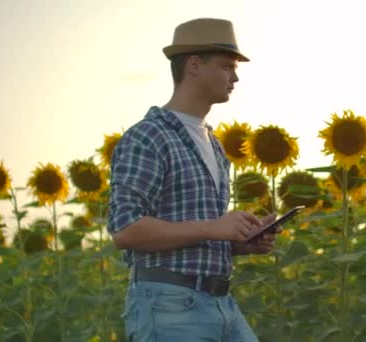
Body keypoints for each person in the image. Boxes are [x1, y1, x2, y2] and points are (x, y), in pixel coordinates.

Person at [108, 18, 276, 341]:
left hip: (221, 303)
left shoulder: (213, 143)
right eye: (227, 66)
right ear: (194, 66)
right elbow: (125, 229)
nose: (235, 77)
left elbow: (197, 234)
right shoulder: (148, 136)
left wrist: (239, 243)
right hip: (169, 307)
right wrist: (214, 227)